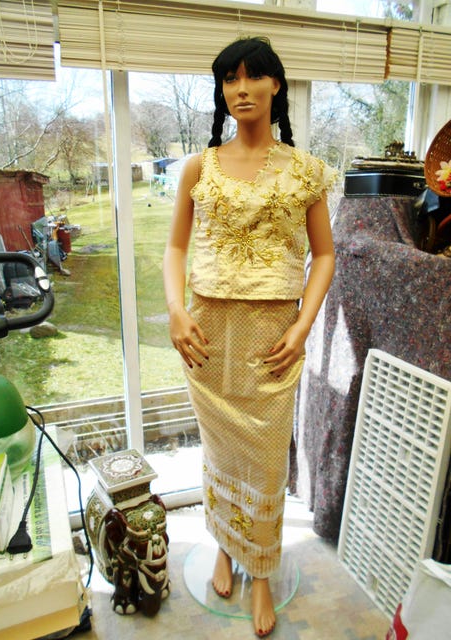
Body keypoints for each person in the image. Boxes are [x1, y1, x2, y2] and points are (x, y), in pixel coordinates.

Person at [163, 36, 337, 638]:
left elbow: (324, 255)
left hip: (272, 337)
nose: (240, 89)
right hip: (207, 335)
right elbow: (175, 247)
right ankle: (223, 543)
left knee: (263, 462)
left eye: (252, 77)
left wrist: (303, 324)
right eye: (229, 79)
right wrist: (175, 311)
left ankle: (260, 569)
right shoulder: (199, 166)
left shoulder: (306, 171)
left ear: (275, 85)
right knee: (219, 454)